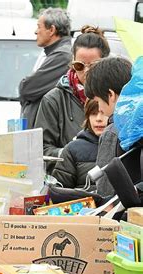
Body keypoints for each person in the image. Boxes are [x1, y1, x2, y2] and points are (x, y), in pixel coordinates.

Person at [34, 26, 110, 173]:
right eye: (79, 66)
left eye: (94, 65)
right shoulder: (53, 100)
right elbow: (40, 151)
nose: (86, 71)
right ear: (72, 62)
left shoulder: (117, 98)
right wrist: (72, 153)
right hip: (68, 184)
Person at [84, 56, 133, 197]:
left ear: (111, 95)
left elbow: (106, 190)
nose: (101, 110)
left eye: (98, 102)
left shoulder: (113, 131)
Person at [19, 7, 72, 129]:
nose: (36, 31)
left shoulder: (62, 55)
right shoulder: (55, 53)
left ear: (52, 30)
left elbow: (27, 88)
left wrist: (25, 84)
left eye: (39, 27)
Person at [52, 99, 108, 189]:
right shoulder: (72, 149)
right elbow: (59, 190)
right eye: (93, 114)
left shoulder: (124, 145)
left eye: (103, 113)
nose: (98, 119)